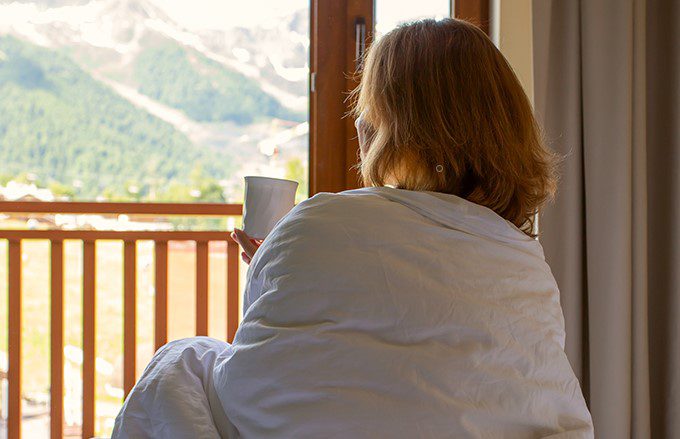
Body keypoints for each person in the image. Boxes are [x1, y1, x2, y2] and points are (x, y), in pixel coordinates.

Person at [113, 18, 593, 438]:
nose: (360, 122)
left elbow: (259, 380)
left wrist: (282, 256)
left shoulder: (319, 223)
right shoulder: (522, 260)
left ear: (390, 123)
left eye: (369, 107)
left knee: (182, 364)